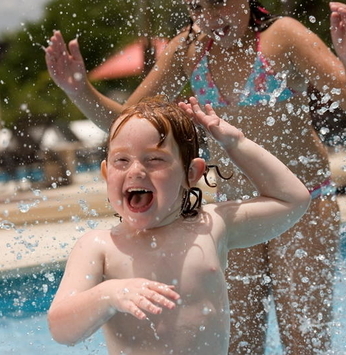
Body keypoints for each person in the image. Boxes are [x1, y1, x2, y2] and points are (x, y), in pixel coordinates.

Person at [44, 1, 346, 353]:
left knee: (304, 342)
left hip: (303, 201)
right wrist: (79, 91)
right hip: (233, 210)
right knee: (239, 344)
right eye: (198, 6)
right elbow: (130, 125)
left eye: (219, 2)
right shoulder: (189, 48)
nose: (210, 16)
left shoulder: (283, 37)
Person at [47, 96, 310, 355]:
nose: (136, 171)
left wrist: (236, 142)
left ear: (191, 173)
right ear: (106, 173)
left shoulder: (211, 226)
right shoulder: (99, 246)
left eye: (154, 159)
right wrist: (109, 294)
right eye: (122, 160)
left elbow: (292, 200)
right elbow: (61, 329)